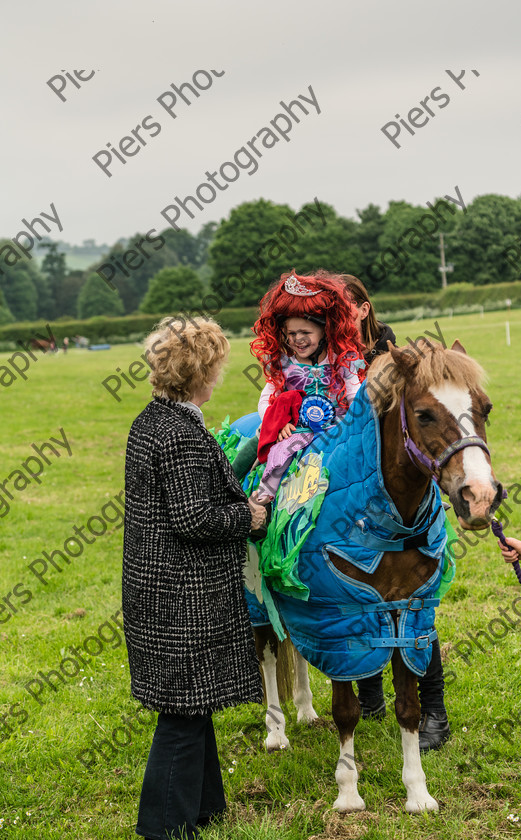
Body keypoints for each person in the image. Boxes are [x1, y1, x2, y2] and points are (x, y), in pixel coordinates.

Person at [122, 315, 267, 840]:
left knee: (192, 702)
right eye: (217, 365)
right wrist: (247, 517)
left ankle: (206, 809)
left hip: (157, 591)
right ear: (199, 371)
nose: (221, 375)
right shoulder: (179, 433)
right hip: (181, 596)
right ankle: (163, 828)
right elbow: (194, 519)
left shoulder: (154, 419)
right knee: (182, 712)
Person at [341, 274, 450, 753]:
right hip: (352, 482)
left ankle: (434, 709)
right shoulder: (325, 352)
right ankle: (369, 694)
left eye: (346, 307)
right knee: (355, 589)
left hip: (397, 485)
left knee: (414, 598)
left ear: (365, 308)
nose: (339, 316)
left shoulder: (391, 351)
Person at [251, 270, 364, 501]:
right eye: (291, 333)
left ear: (325, 330)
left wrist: (357, 422)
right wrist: (278, 423)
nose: (297, 339)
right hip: (296, 431)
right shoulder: (283, 363)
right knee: (280, 458)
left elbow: (355, 394)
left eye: (305, 332)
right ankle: (263, 502)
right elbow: (266, 400)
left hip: (338, 428)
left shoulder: (342, 360)